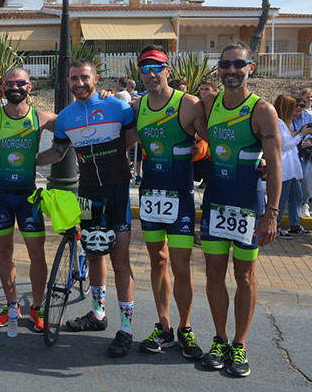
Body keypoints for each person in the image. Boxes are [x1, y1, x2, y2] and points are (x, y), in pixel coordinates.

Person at [37, 59, 136, 358]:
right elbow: (57, 152)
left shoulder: (118, 108)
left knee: (120, 259)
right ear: (67, 81)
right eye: (73, 78)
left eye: (84, 77)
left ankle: (127, 329)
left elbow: (131, 138)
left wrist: (119, 159)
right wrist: (23, 160)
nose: (79, 83)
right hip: (89, 192)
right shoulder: (66, 117)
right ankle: (97, 314)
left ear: (96, 78)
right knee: (94, 253)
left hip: (117, 191)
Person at [199, 42, 281, 377]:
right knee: (214, 274)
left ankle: (239, 344)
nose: (231, 70)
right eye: (225, 64)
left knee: (244, 275)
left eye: (238, 64)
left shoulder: (262, 110)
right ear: (218, 68)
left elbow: (275, 166)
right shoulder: (209, 102)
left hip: (248, 205)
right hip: (215, 202)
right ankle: (219, 339)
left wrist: (272, 213)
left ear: (251, 67)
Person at [127, 45, 207, 359]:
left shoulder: (187, 105)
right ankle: (164, 325)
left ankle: (185, 328)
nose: (150, 74)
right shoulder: (136, 107)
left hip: (181, 197)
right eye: (144, 68)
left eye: (156, 67)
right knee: (157, 262)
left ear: (168, 70)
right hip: (150, 194)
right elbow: (124, 140)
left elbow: (210, 139)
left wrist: (200, 149)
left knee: (181, 266)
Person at [0, 68, 56, 331]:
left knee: (36, 254)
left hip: (28, 197)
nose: (15, 87)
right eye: (10, 83)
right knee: (4, 253)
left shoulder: (40, 117)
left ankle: (37, 308)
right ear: (4, 87)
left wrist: (49, 156)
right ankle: (11, 306)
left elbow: (72, 130)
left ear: (29, 87)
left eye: (20, 83)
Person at [274, 95, 312, 239]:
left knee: (296, 196)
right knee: (281, 199)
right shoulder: (277, 123)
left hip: (292, 168)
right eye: (293, 107)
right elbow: (285, 145)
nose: (296, 110)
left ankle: (295, 225)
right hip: (285, 167)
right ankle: (275, 226)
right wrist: (301, 135)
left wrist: (299, 134)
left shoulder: (285, 123)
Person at [291, 97, 312, 219]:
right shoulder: (286, 118)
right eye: (296, 105)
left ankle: (304, 203)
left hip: (304, 154)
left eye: (302, 106)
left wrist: (310, 140)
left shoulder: (307, 117)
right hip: (291, 153)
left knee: (304, 177)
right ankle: (294, 207)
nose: (299, 108)